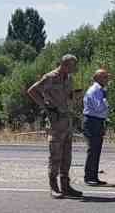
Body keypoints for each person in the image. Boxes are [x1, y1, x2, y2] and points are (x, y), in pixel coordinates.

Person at [27, 53, 83, 199]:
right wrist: (46, 108)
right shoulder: (50, 77)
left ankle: (66, 186)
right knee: (55, 155)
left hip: (67, 120)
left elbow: (68, 95)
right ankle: (54, 187)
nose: (74, 69)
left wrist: (75, 96)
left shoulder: (69, 78)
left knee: (67, 156)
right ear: (64, 64)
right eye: (72, 66)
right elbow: (32, 91)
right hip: (55, 121)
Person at [82, 67, 110, 186]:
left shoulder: (99, 90)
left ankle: (93, 176)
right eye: (104, 77)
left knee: (96, 149)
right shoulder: (95, 90)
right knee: (93, 149)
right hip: (93, 121)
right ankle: (89, 177)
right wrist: (105, 100)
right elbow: (99, 108)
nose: (107, 79)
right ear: (97, 78)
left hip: (97, 121)